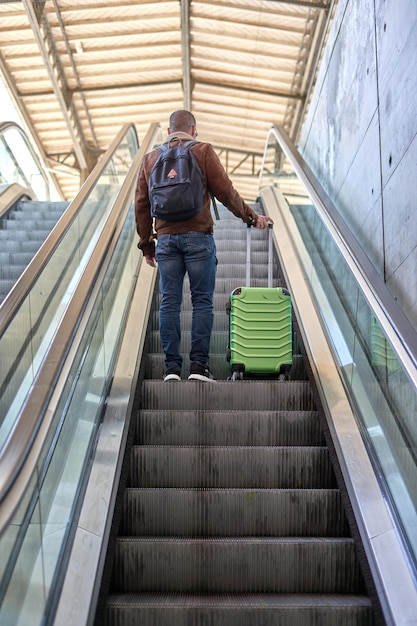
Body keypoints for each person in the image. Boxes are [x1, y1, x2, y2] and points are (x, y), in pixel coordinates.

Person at [134, 110, 273, 382]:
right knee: (201, 302)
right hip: (199, 237)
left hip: (166, 241)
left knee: (170, 303)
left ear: (168, 131)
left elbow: (141, 204)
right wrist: (251, 217)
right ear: (193, 130)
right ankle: (198, 367)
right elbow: (226, 192)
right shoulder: (203, 151)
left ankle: (171, 369)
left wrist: (147, 245)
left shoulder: (150, 159)